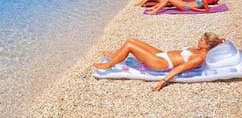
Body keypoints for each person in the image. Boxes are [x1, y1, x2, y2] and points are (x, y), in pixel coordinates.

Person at [93, 32, 223, 91]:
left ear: (207, 45)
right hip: (162, 54)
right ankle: (116, 55)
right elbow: (221, 42)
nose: (198, 40)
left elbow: (179, 69)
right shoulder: (199, 50)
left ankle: (108, 65)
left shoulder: (198, 58)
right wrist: (219, 41)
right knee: (131, 40)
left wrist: (163, 82)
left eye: (201, 40)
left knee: (130, 47)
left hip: (160, 63)